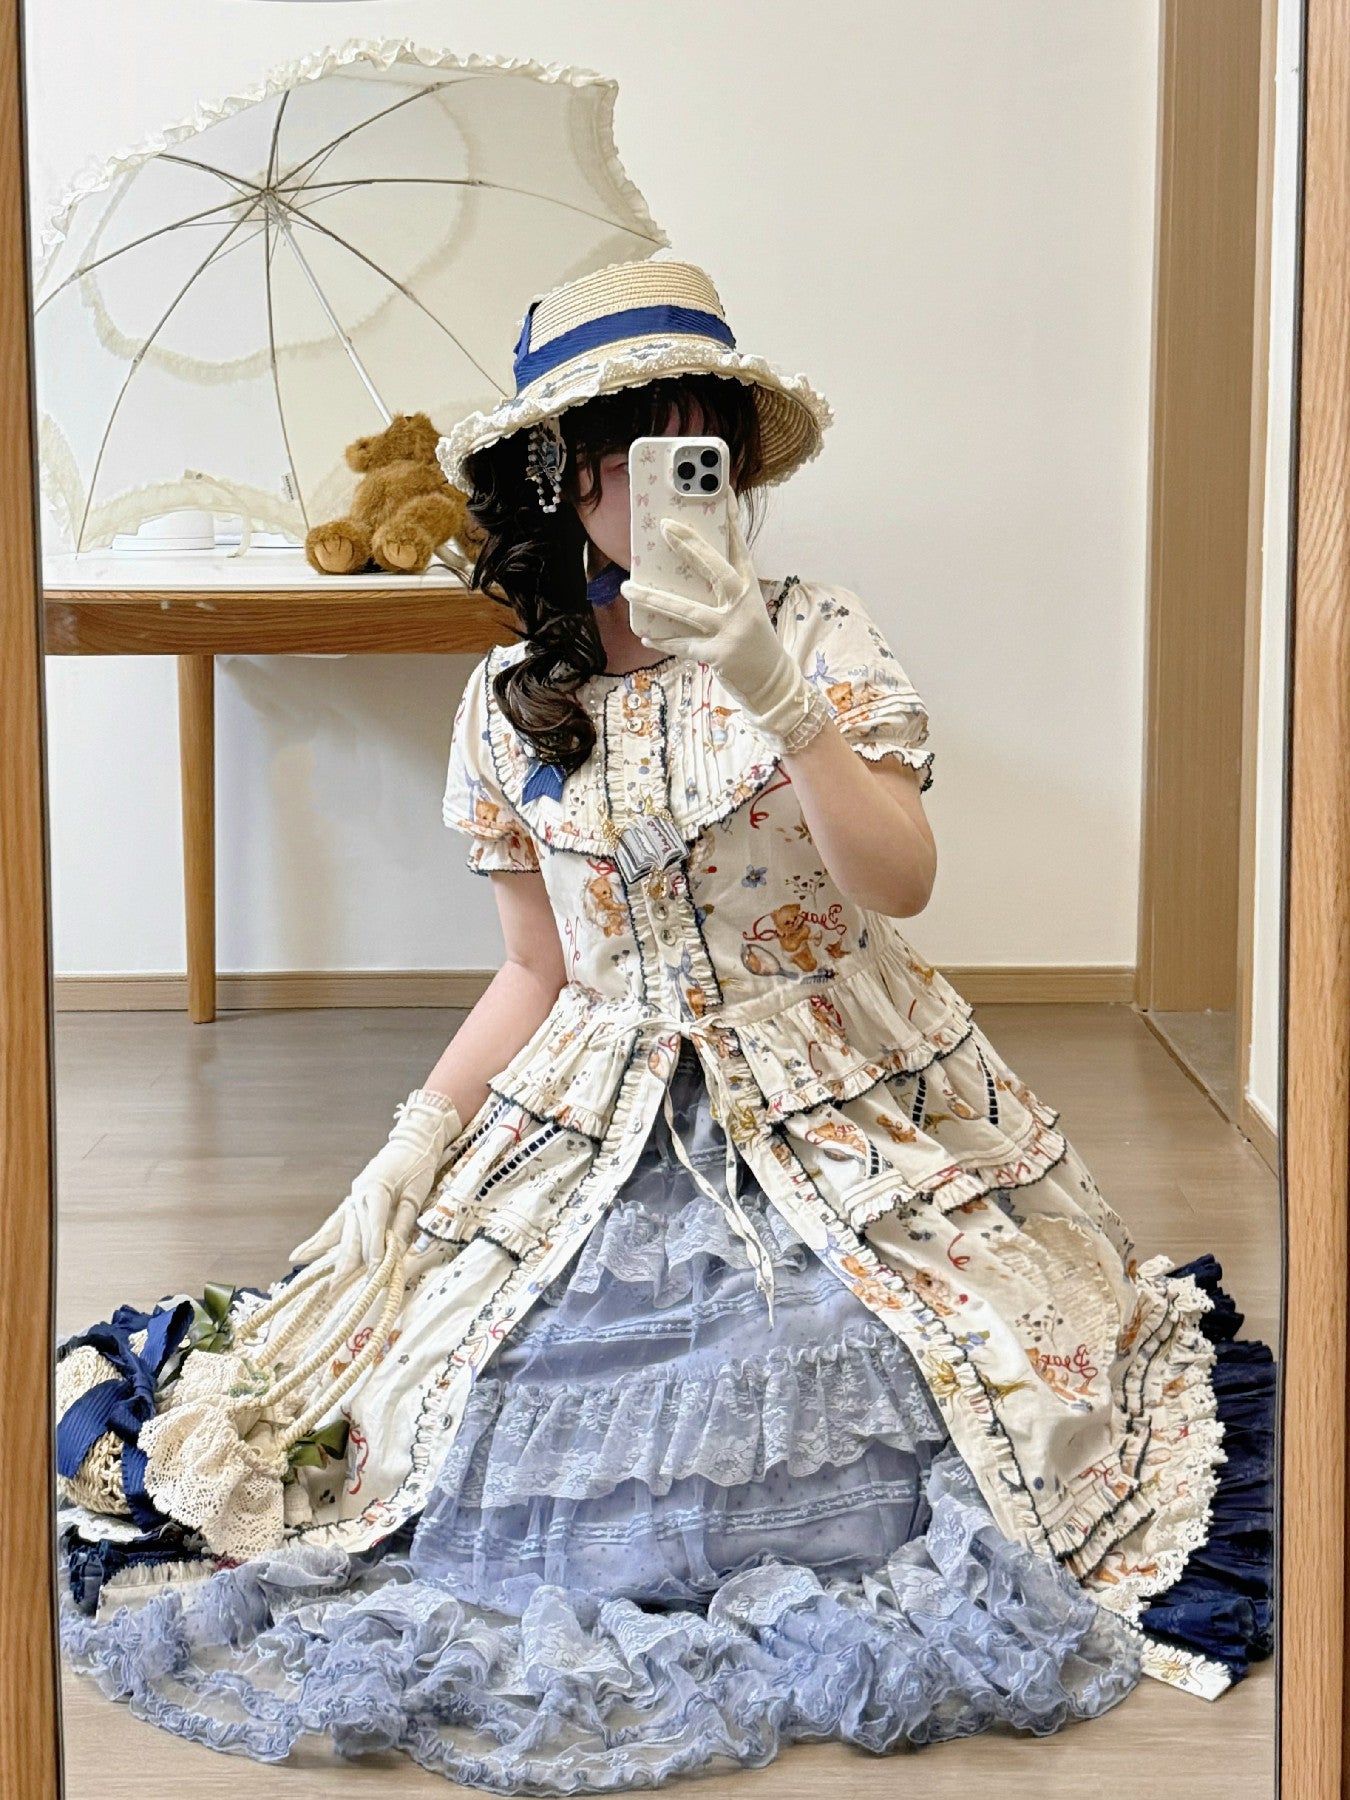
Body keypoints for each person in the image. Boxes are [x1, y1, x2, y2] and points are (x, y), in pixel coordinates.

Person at [55, 257, 1275, 1793]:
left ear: (740, 464)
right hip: (598, 1108)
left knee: (852, 1370)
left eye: (703, 446)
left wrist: (772, 688)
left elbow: (897, 884)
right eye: (631, 451)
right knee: (472, 1392)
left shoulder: (816, 633)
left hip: (836, 1084)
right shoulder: (511, 694)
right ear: (563, 476)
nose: (670, 482)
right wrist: (411, 1148)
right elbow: (535, 971)